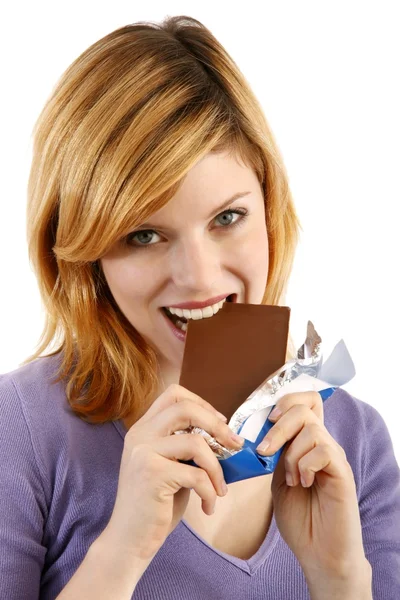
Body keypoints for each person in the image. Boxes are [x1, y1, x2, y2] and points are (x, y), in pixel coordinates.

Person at [0, 15, 399, 600]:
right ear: (87, 252)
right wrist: (122, 552)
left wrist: (338, 579)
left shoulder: (353, 442)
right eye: (143, 235)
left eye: (227, 218)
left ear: (269, 208)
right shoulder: (21, 431)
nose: (200, 278)